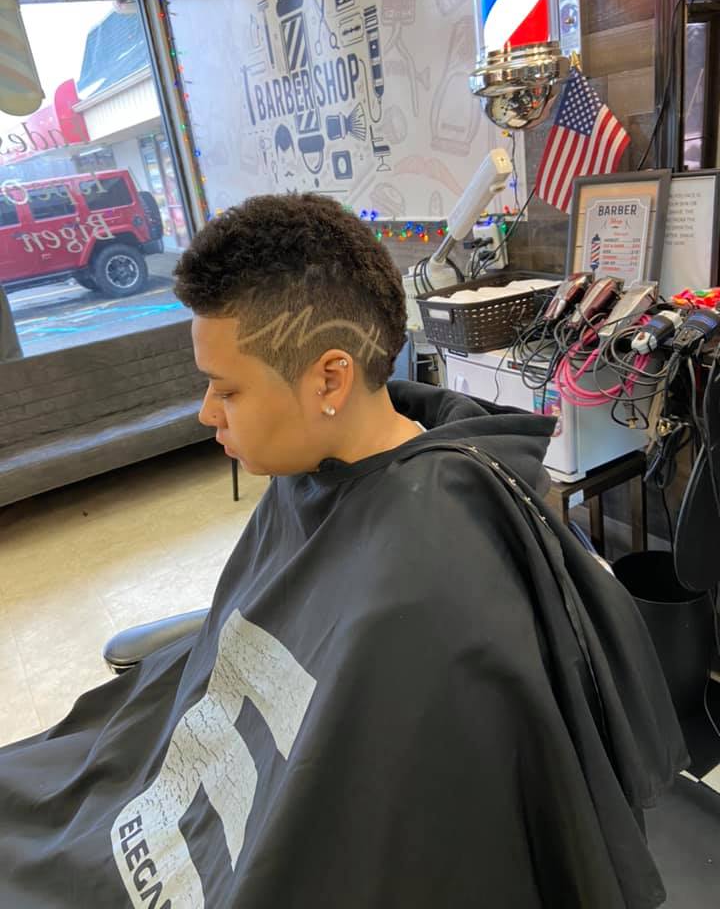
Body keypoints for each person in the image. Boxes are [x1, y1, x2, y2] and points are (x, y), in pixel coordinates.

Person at [0, 194, 686, 908]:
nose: (206, 413)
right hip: (171, 796)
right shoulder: (313, 470)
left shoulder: (434, 581)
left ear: (329, 379)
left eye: (226, 389)